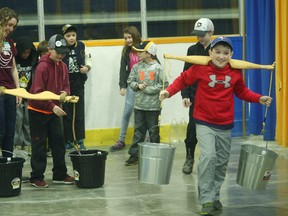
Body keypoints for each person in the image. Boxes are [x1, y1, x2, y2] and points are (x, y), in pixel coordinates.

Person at [159, 37, 272, 215]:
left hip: (224, 124)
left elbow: (242, 91)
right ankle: (206, 200)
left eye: (225, 53)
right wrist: (168, 92)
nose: (221, 56)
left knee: (221, 163)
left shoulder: (235, 73)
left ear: (231, 55)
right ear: (210, 52)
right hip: (204, 121)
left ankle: (215, 194)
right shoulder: (200, 69)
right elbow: (182, 80)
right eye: (217, 52)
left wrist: (259, 98)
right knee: (209, 157)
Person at [28, 34, 74, 188]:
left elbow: (66, 85)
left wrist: (64, 93)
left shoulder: (63, 66)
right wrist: (52, 106)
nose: (61, 55)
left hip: (53, 111)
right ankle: (36, 177)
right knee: (39, 145)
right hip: (38, 110)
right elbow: (37, 92)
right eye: (58, 52)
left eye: (63, 52)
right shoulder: (42, 66)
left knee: (58, 142)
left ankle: (60, 174)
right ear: (49, 49)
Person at [125, 41, 169, 166]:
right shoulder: (136, 67)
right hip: (139, 106)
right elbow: (130, 80)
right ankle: (134, 155)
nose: (137, 53)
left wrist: (149, 89)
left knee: (154, 131)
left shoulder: (158, 68)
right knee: (138, 131)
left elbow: (165, 84)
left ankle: (156, 154)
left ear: (149, 54)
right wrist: (137, 85)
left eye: (140, 51)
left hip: (153, 107)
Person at [181, 18, 214, 175]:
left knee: (213, 130)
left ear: (211, 32)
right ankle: (189, 157)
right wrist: (185, 94)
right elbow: (186, 73)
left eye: (202, 35)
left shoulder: (217, 50)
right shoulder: (192, 50)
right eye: (197, 35)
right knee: (192, 128)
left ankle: (212, 161)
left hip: (213, 97)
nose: (199, 38)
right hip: (195, 96)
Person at [109, 26, 142, 152]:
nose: (128, 40)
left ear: (135, 36)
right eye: (126, 38)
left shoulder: (144, 48)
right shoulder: (126, 52)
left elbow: (155, 64)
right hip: (132, 85)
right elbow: (123, 69)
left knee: (145, 112)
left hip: (145, 85)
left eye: (130, 37)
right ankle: (121, 140)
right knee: (127, 112)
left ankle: (148, 139)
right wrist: (122, 85)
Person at [61, 24, 92, 150]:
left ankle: (79, 140)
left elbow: (88, 59)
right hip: (65, 85)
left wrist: (87, 67)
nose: (71, 38)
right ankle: (68, 139)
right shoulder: (61, 48)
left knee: (79, 114)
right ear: (64, 37)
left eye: (73, 35)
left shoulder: (81, 46)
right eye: (68, 36)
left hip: (78, 84)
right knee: (67, 114)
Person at [0, 7, 22, 158]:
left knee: (10, 129)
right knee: (0, 129)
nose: (10, 29)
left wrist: (18, 89)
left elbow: (13, 67)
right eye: (8, 24)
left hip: (10, 90)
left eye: (13, 26)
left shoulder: (10, 42)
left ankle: (7, 159)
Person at [14, 36, 38, 154]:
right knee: (18, 120)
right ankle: (17, 143)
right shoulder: (15, 60)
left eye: (28, 52)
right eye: (24, 52)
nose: (26, 55)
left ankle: (28, 143)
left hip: (29, 94)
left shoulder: (33, 60)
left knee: (28, 121)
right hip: (17, 94)